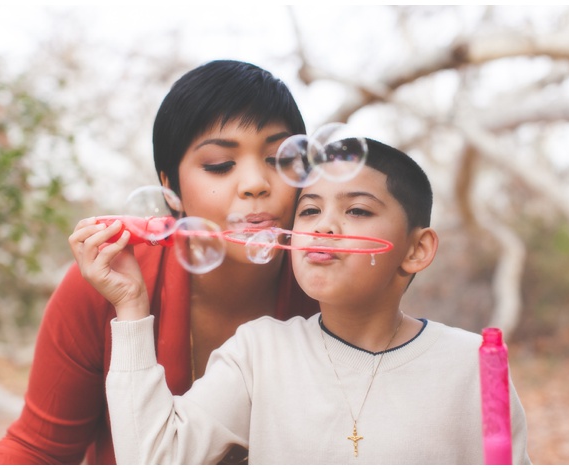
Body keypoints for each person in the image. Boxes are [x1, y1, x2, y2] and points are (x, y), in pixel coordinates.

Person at [76, 138, 531, 464]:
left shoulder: (471, 364)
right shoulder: (259, 352)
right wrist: (132, 306)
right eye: (310, 210)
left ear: (417, 249)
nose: (323, 226)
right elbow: (152, 459)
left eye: (357, 210)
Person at [0, 60, 319, 465]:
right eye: (220, 165)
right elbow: (37, 449)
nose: (255, 184)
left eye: (279, 160)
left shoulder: (331, 289)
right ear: (169, 186)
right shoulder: (107, 283)